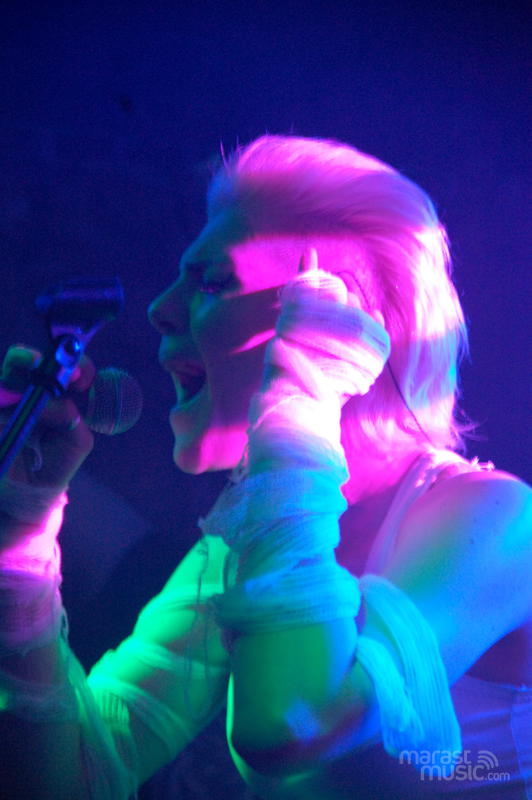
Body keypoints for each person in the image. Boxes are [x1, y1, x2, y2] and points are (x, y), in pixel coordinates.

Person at [0, 135, 530, 799]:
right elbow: (73, 779)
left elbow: (292, 724)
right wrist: (19, 540)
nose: (159, 310)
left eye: (212, 281)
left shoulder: (495, 518)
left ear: (338, 312)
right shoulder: (246, 544)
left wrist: (302, 389)